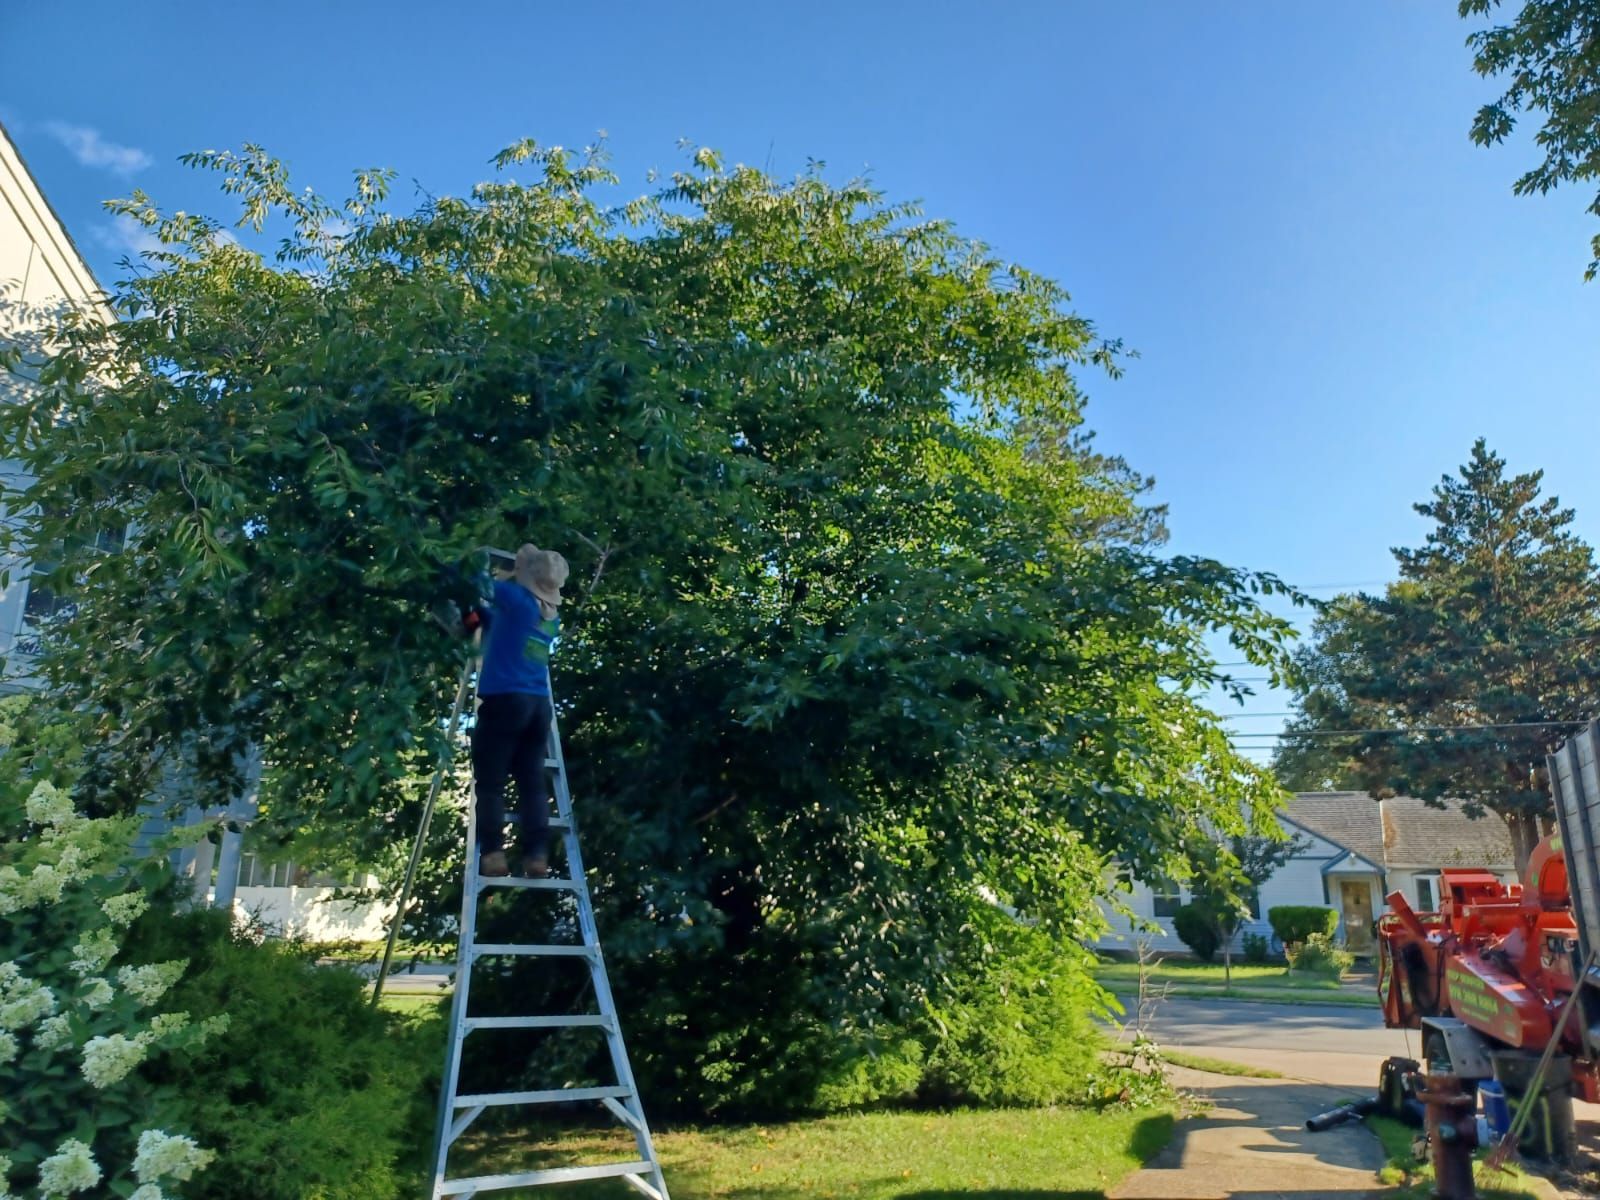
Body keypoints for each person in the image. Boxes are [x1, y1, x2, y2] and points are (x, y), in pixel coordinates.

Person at [470, 544, 568, 877]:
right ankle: (536, 856)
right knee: (531, 783)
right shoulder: (547, 616)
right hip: (538, 706)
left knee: (491, 783)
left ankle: (494, 853)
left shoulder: (515, 598)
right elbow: (493, 622)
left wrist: (469, 560)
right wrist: (477, 617)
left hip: (506, 700)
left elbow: (473, 582)